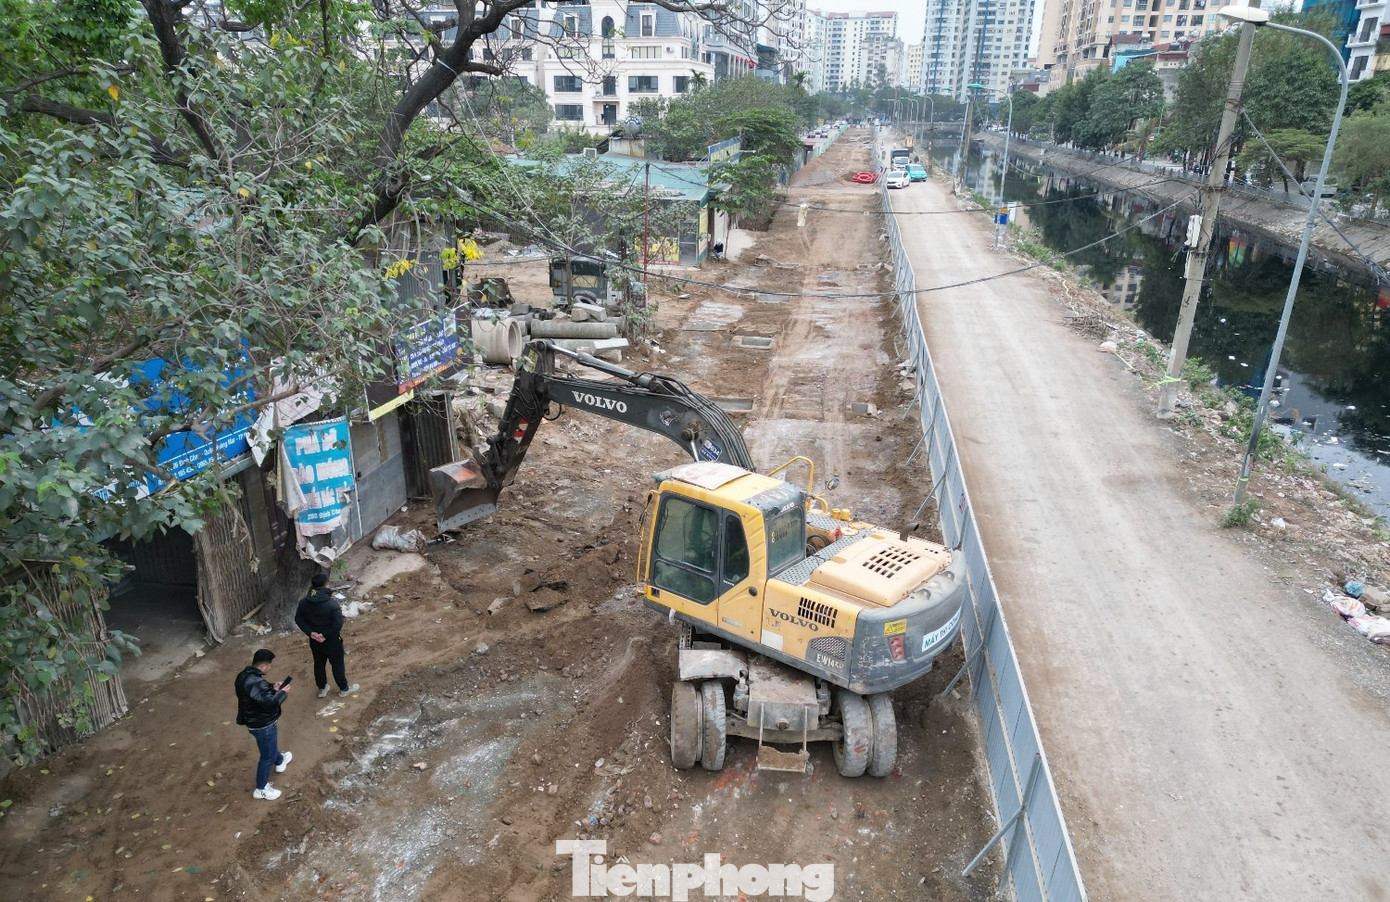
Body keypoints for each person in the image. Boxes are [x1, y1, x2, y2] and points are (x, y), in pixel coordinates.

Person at [234, 648, 292, 801]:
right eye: (270, 664)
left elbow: (257, 694)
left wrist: (272, 687)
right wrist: (282, 693)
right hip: (263, 725)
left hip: (253, 721)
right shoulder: (257, 682)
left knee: (270, 747)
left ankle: (280, 760)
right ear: (264, 666)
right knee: (267, 756)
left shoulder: (244, 676)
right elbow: (269, 704)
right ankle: (261, 789)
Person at [295, 573, 359, 699]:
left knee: (319, 664)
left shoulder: (304, 603)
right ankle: (344, 689)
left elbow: (299, 619)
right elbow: (337, 624)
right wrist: (325, 635)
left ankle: (322, 688)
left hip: (314, 640)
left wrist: (311, 633)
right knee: (337, 664)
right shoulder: (332, 604)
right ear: (327, 585)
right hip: (331, 641)